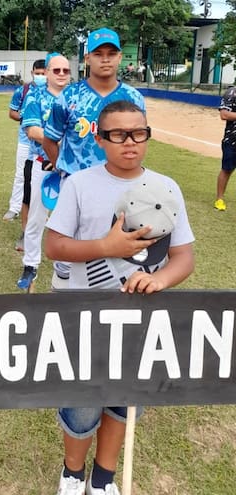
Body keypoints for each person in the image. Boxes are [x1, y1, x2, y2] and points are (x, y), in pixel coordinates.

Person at [44, 100, 194, 495]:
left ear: (148, 134)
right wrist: (106, 245)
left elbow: (183, 258)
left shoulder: (167, 188)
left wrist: (160, 281)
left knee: (123, 401)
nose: (130, 143)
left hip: (138, 320)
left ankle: (104, 477)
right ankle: (73, 473)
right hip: (81, 314)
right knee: (81, 403)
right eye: (118, 134)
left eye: (139, 133)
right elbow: (54, 246)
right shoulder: (79, 184)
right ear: (99, 138)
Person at [42, 27, 145, 288]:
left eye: (111, 53)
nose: (106, 59)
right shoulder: (70, 96)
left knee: (119, 251)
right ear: (87, 59)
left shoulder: (133, 98)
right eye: (98, 54)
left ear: (121, 57)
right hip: (75, 186)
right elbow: (49, 139)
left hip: (121, 186)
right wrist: (64, 169)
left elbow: (138, 140)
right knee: (67, 255)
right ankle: (63, 297)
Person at [15, 54, 71, 290]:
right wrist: (57, 145)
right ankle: (31, 264)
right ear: (46, 72)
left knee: (71, 220)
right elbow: (32, 130)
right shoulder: (35, 96)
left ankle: (67, 265)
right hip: (43, 164)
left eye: (65, 71)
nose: (60, 74)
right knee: (37, 218)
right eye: (55, 70)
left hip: (72, 169)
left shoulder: (77, 97)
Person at [6, 59, 47, 227]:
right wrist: (28, 119)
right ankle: (14, 208)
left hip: (45, 142)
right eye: (37, 73)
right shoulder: (22, 91)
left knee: (46, 178)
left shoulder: (54, 92)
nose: (40, 76)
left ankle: (44, 212)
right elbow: (12, 113)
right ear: (32, 73)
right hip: (25, 141)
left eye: (43, 74)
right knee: (21, 175)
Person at [215, 83, 236, 211]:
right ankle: (219, 199)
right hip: (232, 141)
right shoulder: (231, 93)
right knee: (227, 169)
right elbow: (224, 114)